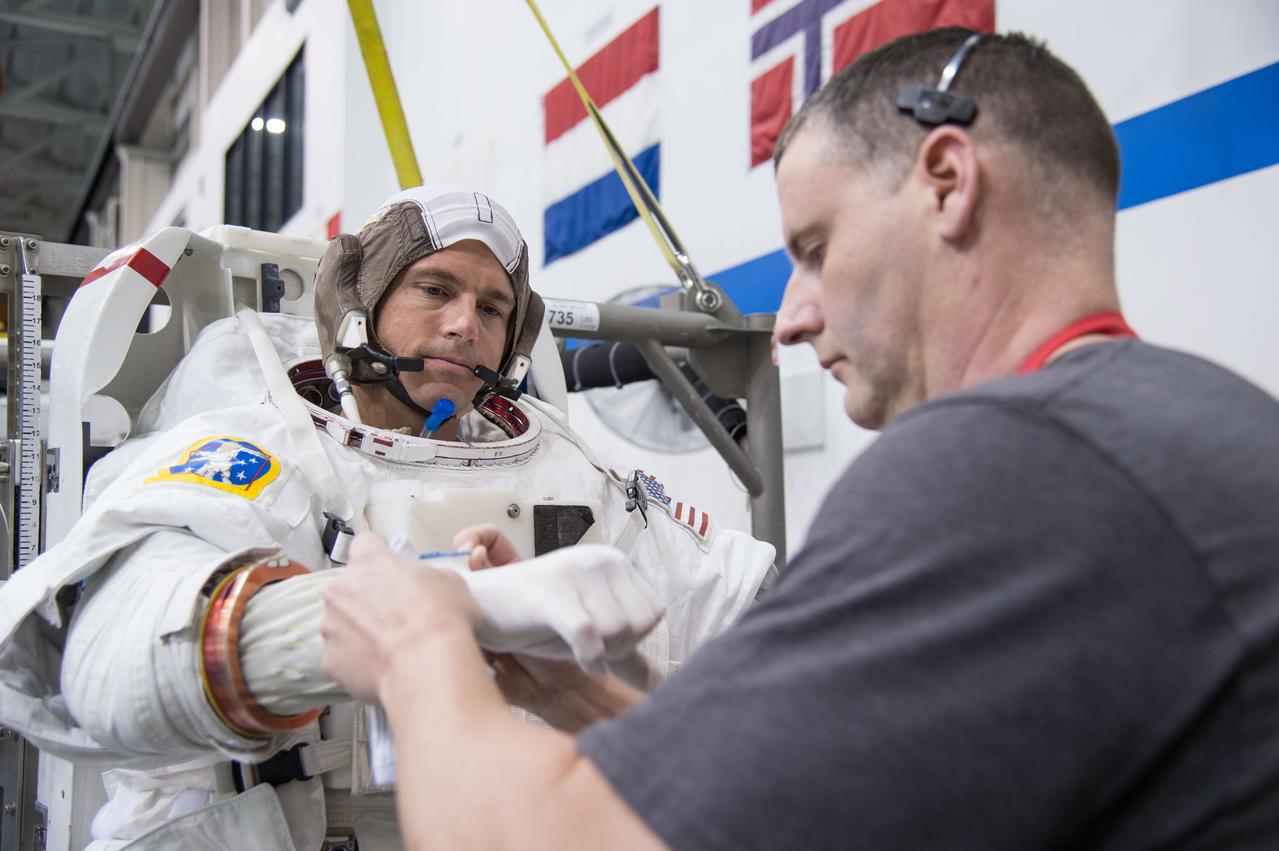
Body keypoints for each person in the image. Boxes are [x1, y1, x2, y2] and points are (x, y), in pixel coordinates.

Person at [319, 29, 1279, 850]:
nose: (786, 320)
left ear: (947, 182)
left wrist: (414, 644)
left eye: (814, 251)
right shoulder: (1192, 421)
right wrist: (574, 694)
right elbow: (799, 793)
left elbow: (567, 835)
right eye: (433, 292)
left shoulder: (1003, 469)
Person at [0, 184, 774, 850]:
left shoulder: (560, 461)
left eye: (493, 306)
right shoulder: (260, 437)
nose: (465, 322)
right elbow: (111, 666)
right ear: (360, 302)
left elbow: (742, 608)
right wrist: (427, 614)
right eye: (434, 290)